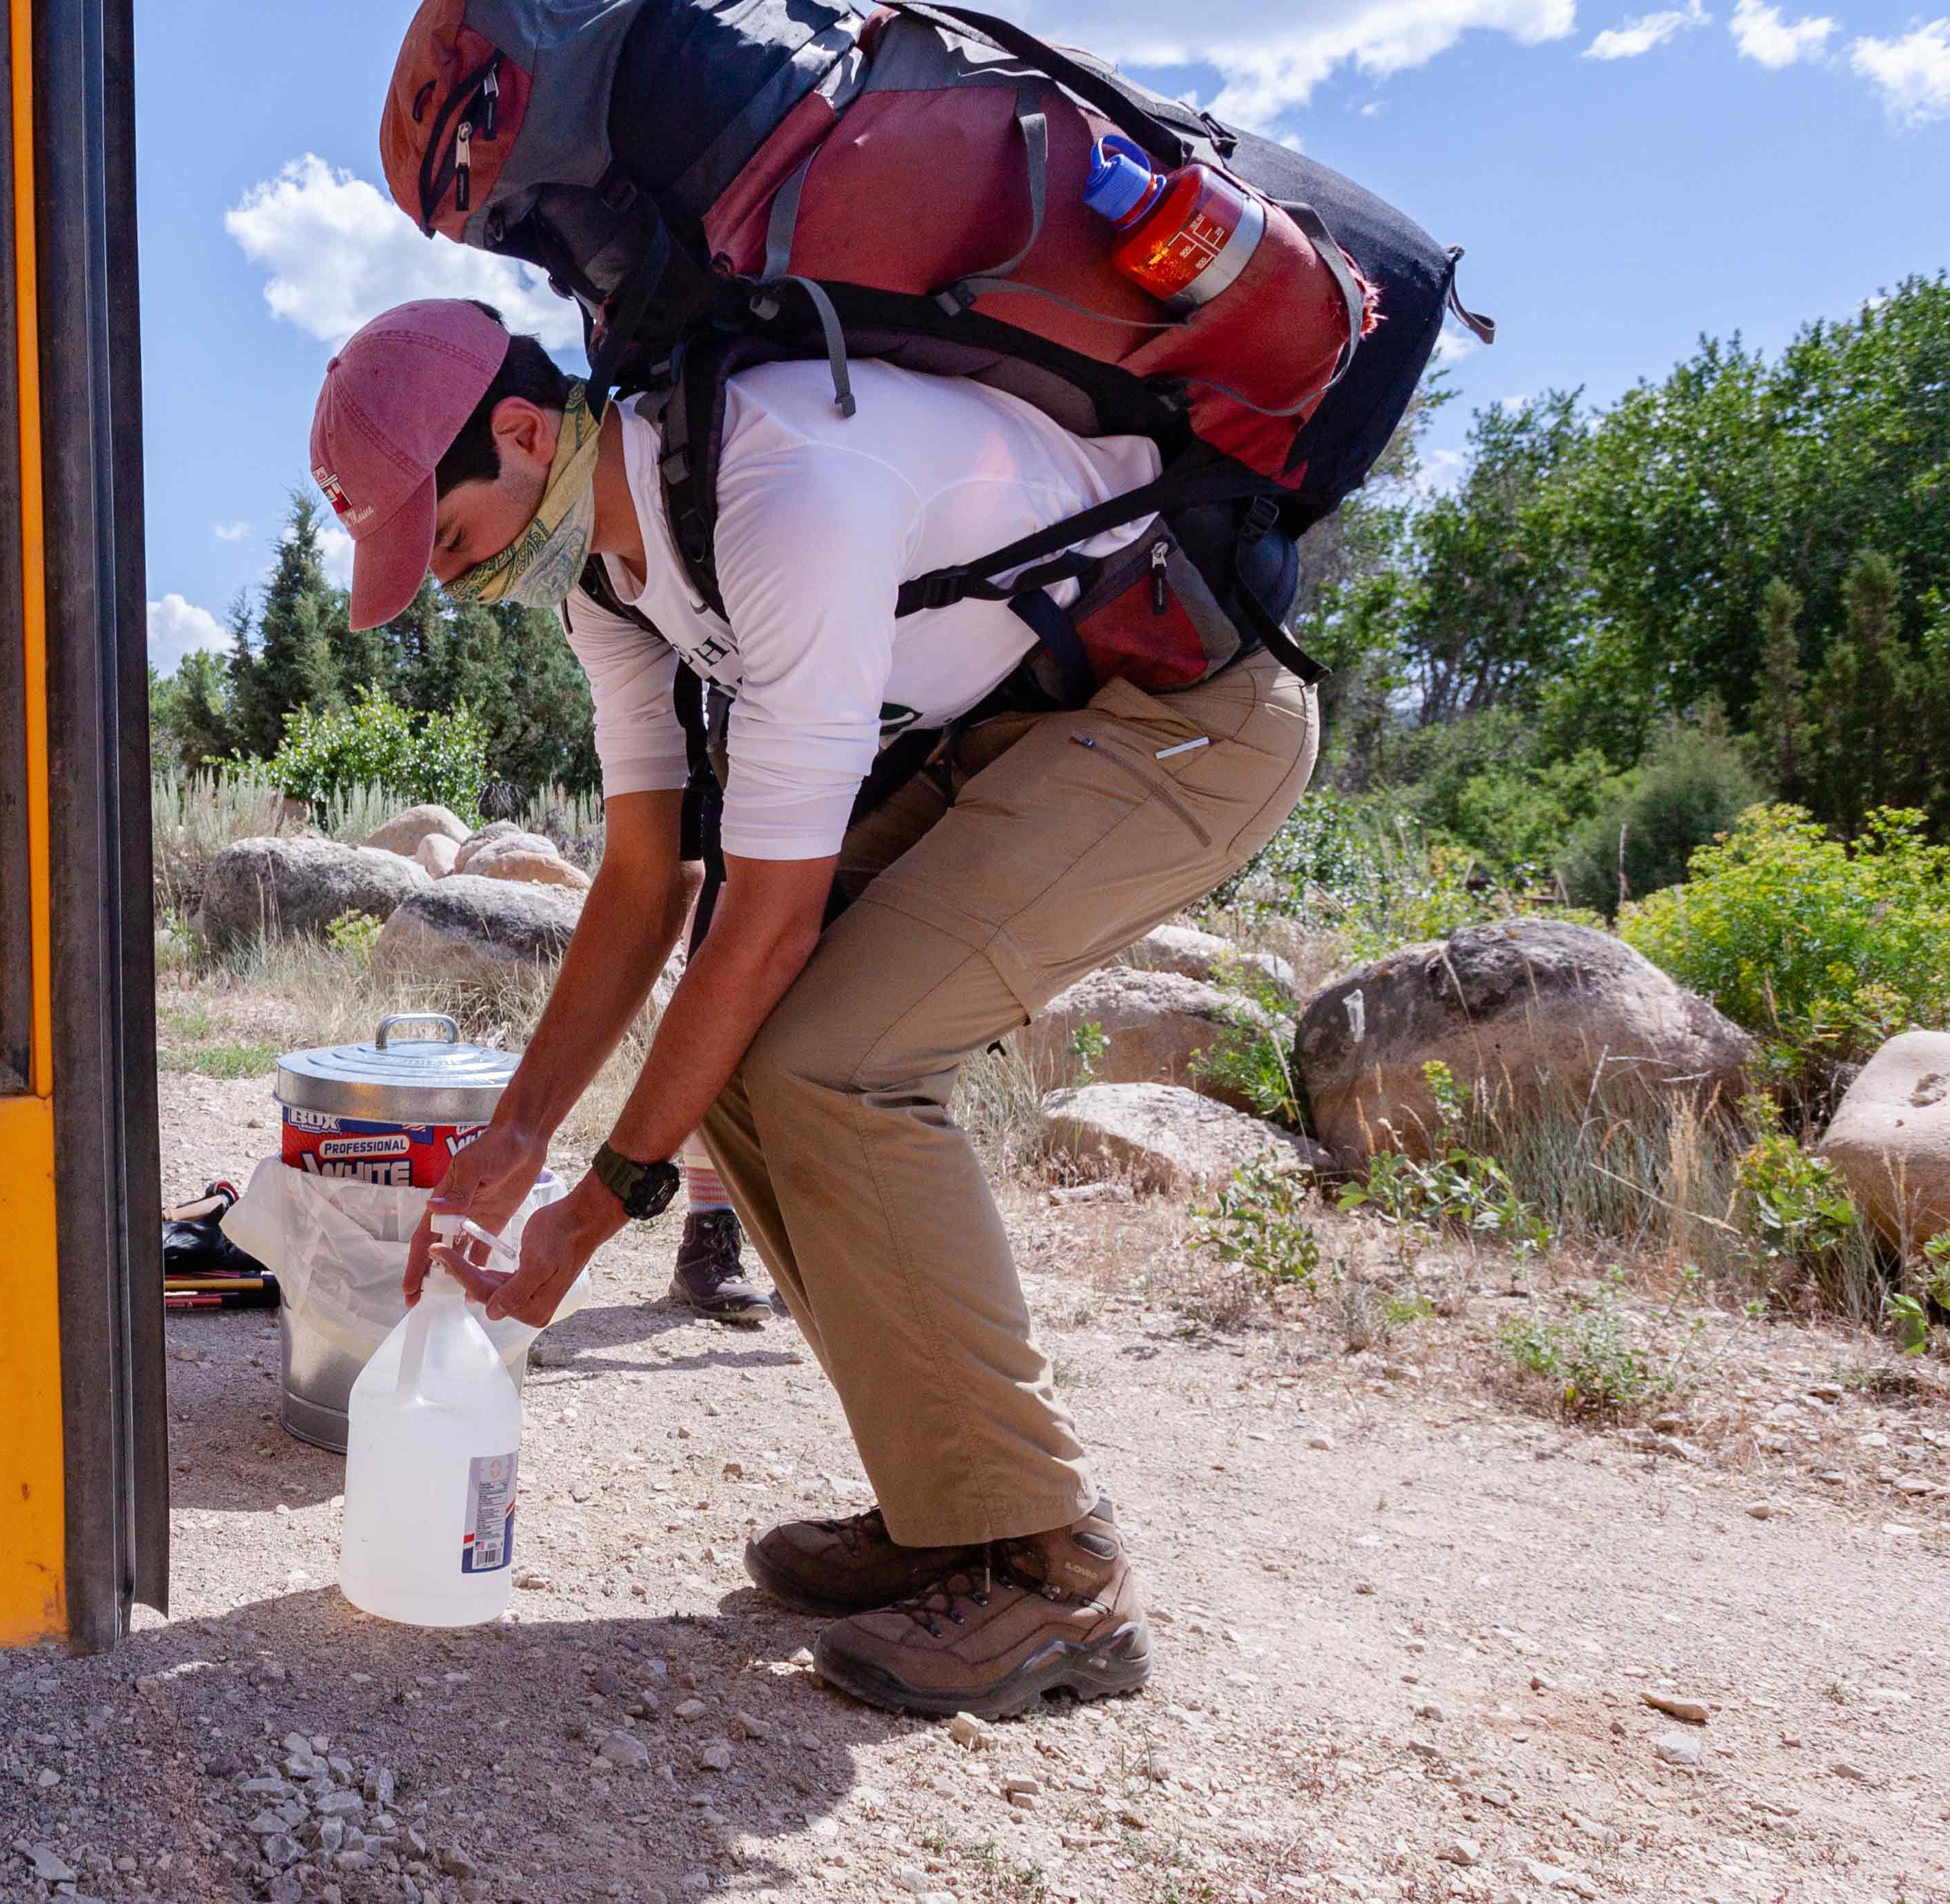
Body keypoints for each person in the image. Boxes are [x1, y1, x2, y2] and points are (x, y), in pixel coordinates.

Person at [318, 299, 1315, 1720]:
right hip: (1029, 721)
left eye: (453, 539)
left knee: (839, 1063)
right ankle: (950, 1505)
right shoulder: (605, 577)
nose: (453, 583)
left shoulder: (779, 490)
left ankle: (1056, 1567)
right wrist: (518, 1135)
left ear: (526, 433)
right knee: (738, 1073)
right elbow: (645, 880)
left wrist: (596, 1213)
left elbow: (763, 923)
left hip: (1185, 722)